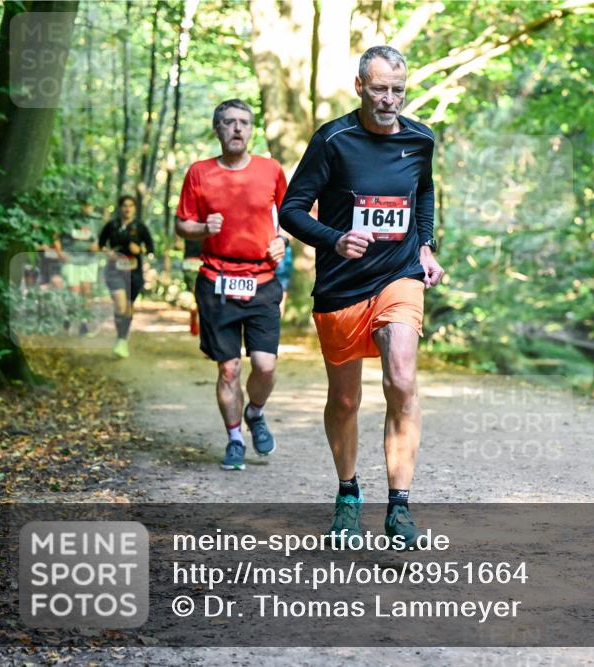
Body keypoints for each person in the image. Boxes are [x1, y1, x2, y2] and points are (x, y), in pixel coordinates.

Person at [280, 45, 444, 549]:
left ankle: (399, 506)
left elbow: (424, 193)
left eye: (397, 89)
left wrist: (427, 245)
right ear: (359, 86)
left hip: (399, 275)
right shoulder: (333, 140)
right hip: (341, 285)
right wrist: (334, 239)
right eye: (379, 89)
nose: (389, 99)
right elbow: (291, 209)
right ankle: (348, 494)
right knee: (346, 398)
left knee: (401, 377)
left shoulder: (420, 139)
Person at [175, 99, 288, 471]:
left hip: (262, 280)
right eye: (228, 122)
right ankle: (236, 438)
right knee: (228, 370)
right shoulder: (199, 173)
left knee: (265, 365)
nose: (237, 128)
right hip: (216, 282)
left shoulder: (270, 171)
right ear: (217, 129)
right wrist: (202, 228)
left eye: (243, 122)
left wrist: (282, 240)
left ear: (251, 129)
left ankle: (255, 412)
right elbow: (182, 224)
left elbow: (292, 215)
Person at [97, 195, 154, 358]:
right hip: (114, 270)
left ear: (134, 208)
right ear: (120, 208)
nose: (127, 208)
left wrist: (140, 250)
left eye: (130, 205)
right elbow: (101, 244)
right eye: (124, 205)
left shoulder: (140, 227)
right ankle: (120, 337)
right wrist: (108, 253)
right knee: (120, 306)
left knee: (128, 307)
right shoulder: (112, 225)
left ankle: (122, 340)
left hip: (134, 272)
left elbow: (150, 248)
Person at [57, 200, 100, 336]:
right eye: (84, 204)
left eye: (89, 204)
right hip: (71, 260)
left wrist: (97, 247)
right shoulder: (69, 219)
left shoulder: (96, 220)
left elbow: (102, 241)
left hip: (89, 261)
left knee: (86, 292)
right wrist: (60, 252)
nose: (87, 207)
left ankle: (84, 322)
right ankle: (68, 316)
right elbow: (55, 235)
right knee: (73, 291)